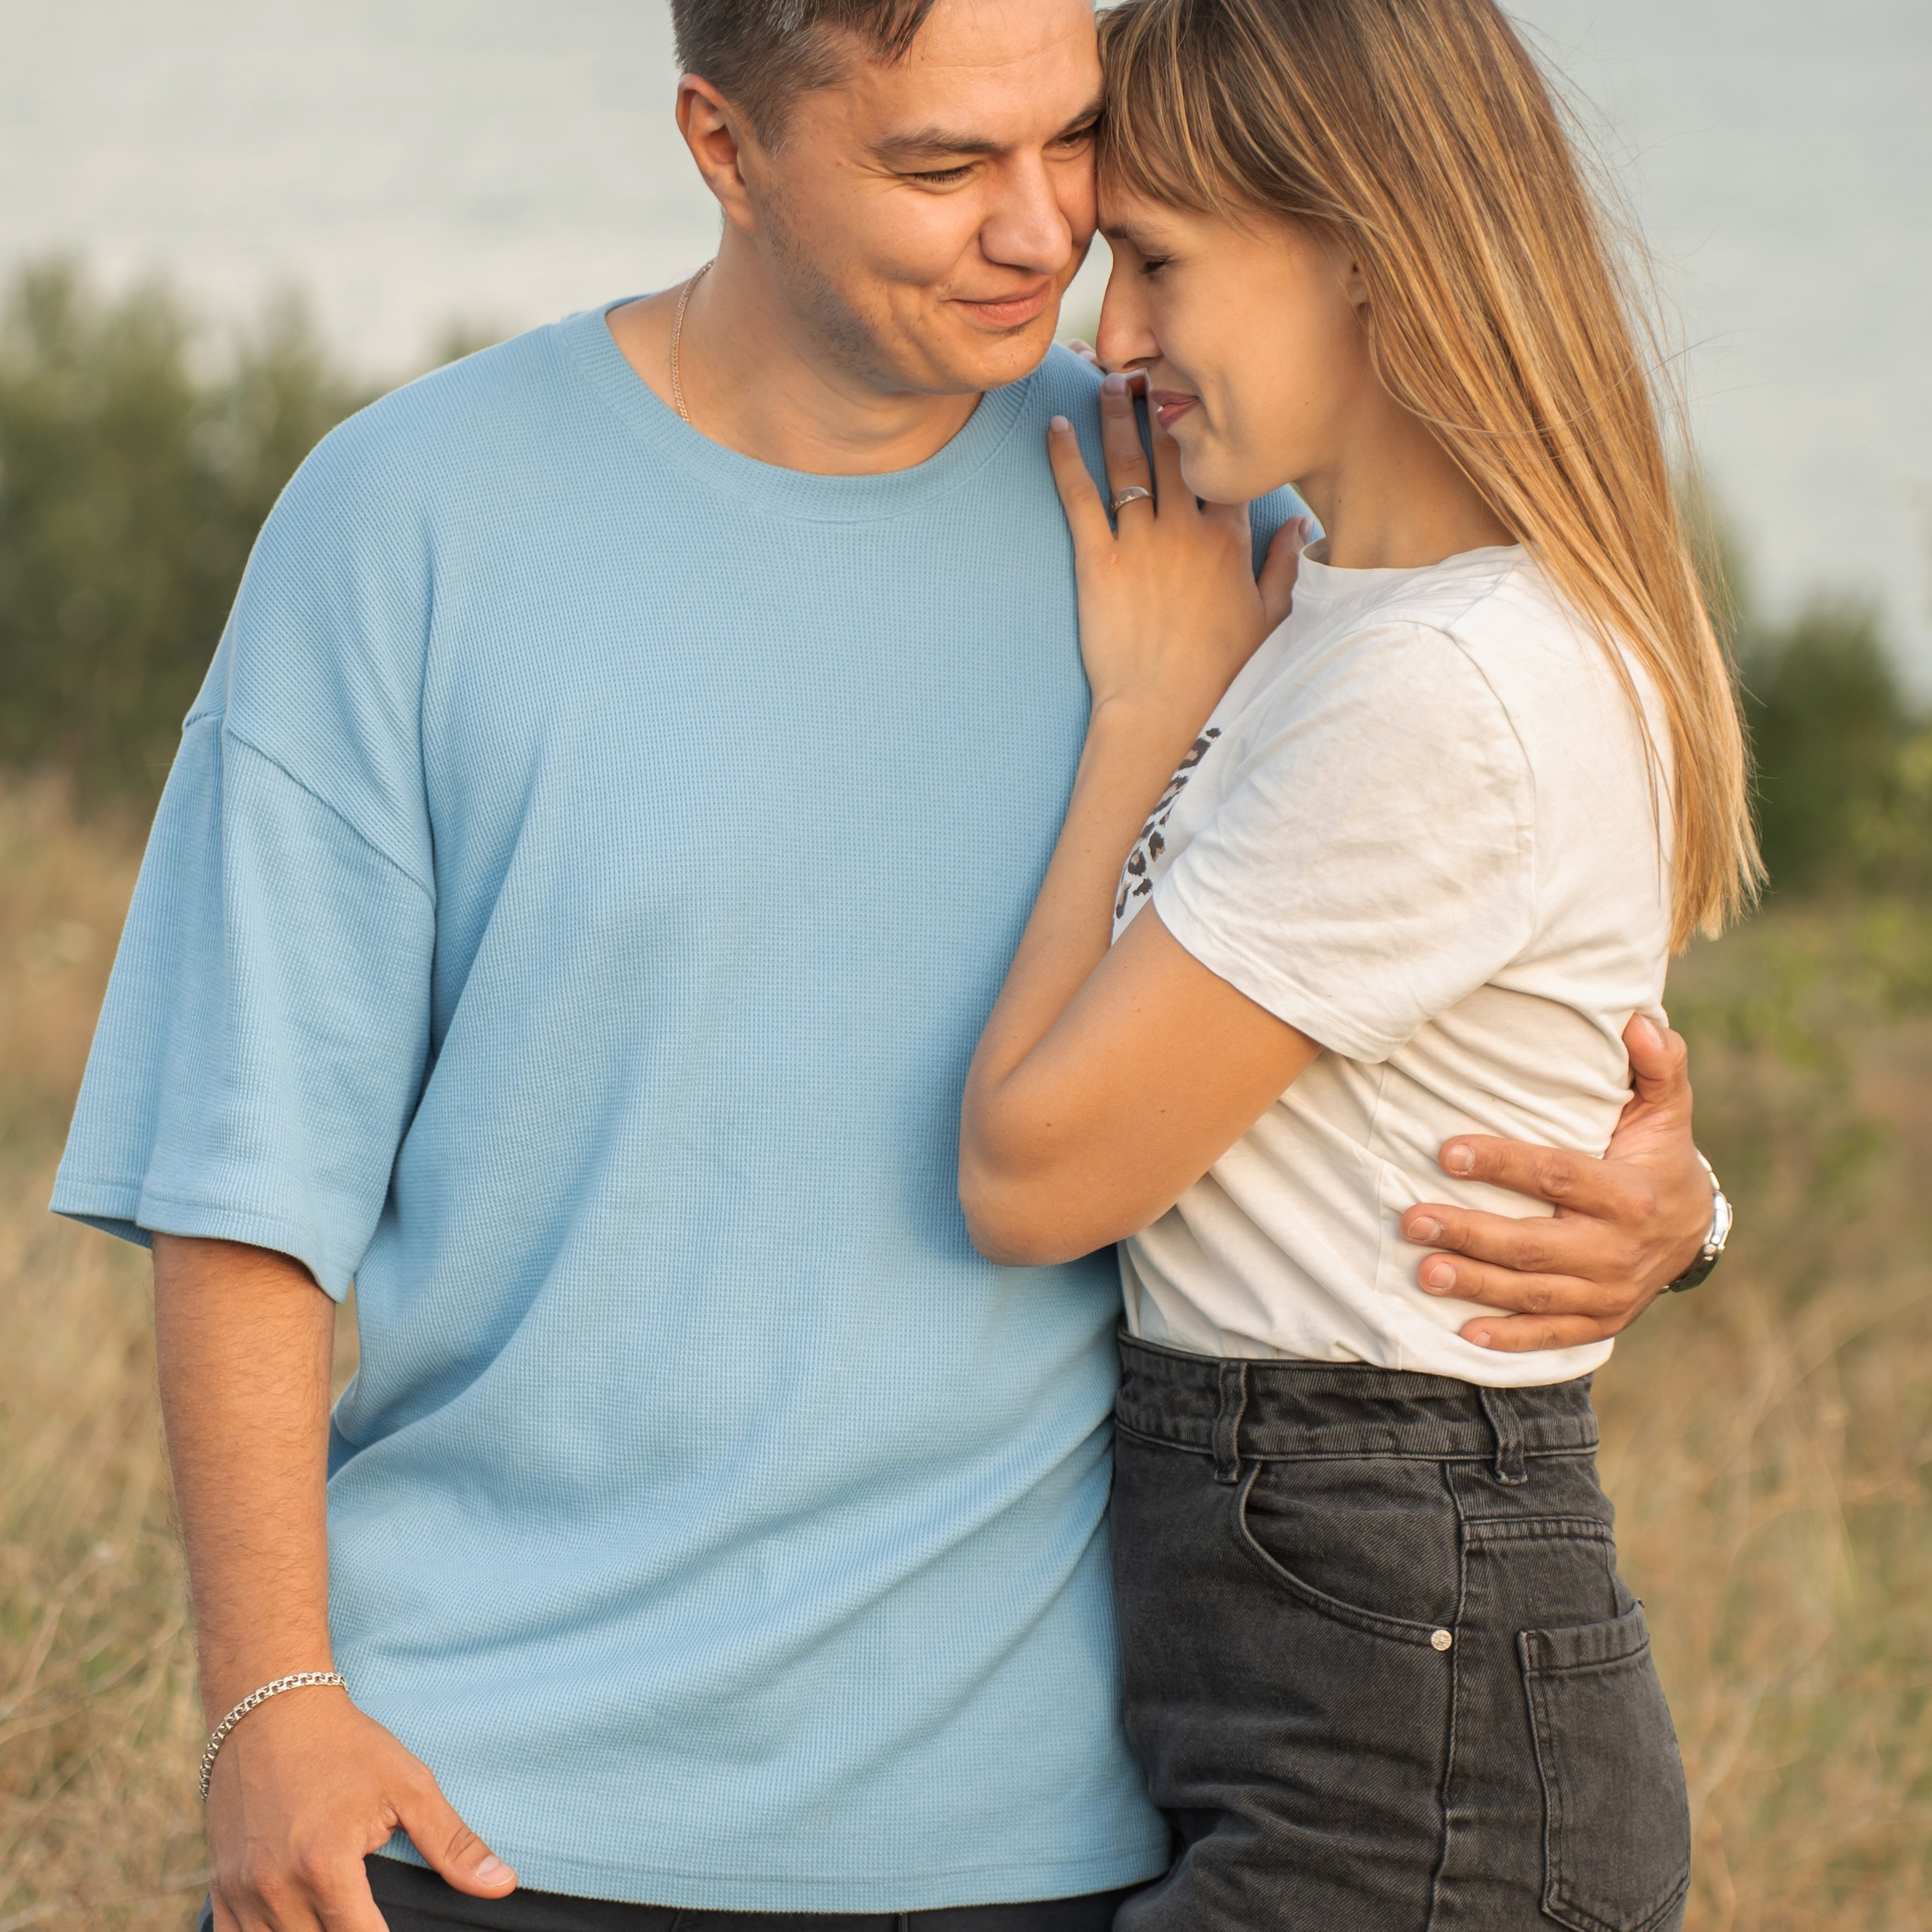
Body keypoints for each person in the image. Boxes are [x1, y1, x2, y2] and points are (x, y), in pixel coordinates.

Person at [52, 2, 1723, 1929]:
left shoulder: (1213, 515)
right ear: (722, 141)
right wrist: (269, 1695)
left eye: (1072, 153)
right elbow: (248, 1172)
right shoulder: (403, 520)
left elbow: (1487, 979)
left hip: (1058, 1832)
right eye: (938, 168)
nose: (1039, 238)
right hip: (472, 1806)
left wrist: (1677, 1213)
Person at [958, 0, 1755, 1927]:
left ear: (1367, 246)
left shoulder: (1444, 682)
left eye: (1153, 259)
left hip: (1407, 1726)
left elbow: (1032, 1173)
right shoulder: (1348, 602)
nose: (1107, 338)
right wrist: (1687, 1210)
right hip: (1344, 1658)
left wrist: (1147, 714)